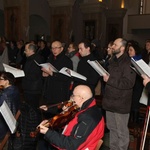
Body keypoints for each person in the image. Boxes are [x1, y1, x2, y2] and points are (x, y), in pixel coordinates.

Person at [38, 85, 105, 150]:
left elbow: (71, 145)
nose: (71, 98)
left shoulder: (87, 118)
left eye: (73, 95)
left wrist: (48, 133)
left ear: (81, 98)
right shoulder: (89, 108)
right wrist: (51, 122)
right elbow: (71, 125)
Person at [102, 38, 136, 150]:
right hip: (110, 101)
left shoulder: (129, 62)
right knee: (112, 129)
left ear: (122, 48)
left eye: (115, 45)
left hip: (121, 102)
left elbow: (129, 83)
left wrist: (109, 79)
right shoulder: (112, 60)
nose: (112, 47)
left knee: (121, 132)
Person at [41, 40, 73, 115]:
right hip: (49, 92)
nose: (54, 50)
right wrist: (45, 74)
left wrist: (52, 73)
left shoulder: (67, 61)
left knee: (57, 115)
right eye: (52, 48)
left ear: (61, 49)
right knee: (47, 113)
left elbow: (66, 77)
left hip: (60, 93)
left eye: (56, 48)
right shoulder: (50, 58)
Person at [22, 43, 44, 110]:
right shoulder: (30, 58)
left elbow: (35, 75)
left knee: (33, 109)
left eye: (26, 50)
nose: (24, 51)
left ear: (31, 51)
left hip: (33, 89)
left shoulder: (36, 59)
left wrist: (22, 73)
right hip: (30, 88)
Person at [0, 72, 20, 142]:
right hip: (11, 121)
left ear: (7, 81)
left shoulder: (4, 95)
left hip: (3, 126)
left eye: (1, 79)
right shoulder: (15, 89)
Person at [127, 40, 144, 123]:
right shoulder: (129, 60)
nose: (129, 52)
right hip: (131, 85)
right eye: (129, 50)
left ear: (135, 51)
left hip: (137, 85)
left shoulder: (139, 61)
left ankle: (134, 123)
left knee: (135, 104)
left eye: (131, 50)